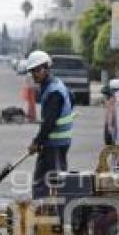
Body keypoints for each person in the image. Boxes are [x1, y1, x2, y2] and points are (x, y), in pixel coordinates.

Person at [25, 50, 74, 198]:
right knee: (56, 178)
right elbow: (72, 99)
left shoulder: (54, 91)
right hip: (56, 141)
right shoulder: (55, 84)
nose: (34, 74)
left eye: (37, 70)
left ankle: (44, 212)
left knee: (45, 180)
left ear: (47, 68)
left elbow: (49, 122)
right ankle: (53, 209)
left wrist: (37, 141)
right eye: (32, 71)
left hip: (55, 143)